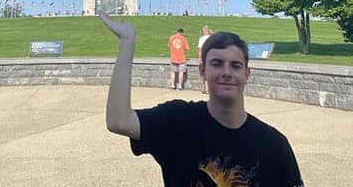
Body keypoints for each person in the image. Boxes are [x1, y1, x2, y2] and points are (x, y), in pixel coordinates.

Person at [98, 11, 304, 187]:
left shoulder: (274, 145)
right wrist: (127, 42)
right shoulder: (177, 121)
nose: (226, 72)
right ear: (203, 71)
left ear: (247, 74)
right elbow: (118, 120)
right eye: (217, 63)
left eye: (235, 65)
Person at [197, 25, 213, 94]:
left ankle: (207, 89)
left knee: (205, 74)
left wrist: (200, 58)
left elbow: (200, 49)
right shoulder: (212, 38)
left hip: (205, 58)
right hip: (212, 57)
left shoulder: (202, 38)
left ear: (203, 31)